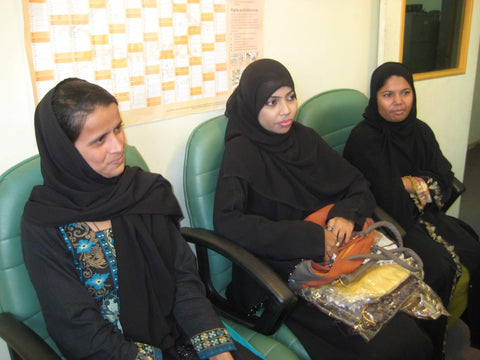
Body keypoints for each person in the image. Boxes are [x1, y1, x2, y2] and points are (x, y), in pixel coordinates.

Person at [21, 78, 264, 360]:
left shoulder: (145, 193)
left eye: (117, 128)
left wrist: (215, 350)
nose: (117, 146)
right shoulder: (43, 224)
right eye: (100, 139)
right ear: (64, 152)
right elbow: (76, 329)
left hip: (178, 334)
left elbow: (183, 279)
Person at [213, 58, 433, 360]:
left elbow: (357, 184)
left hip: (337, 260)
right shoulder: (241, 153)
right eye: (271, 102)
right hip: (284, 273)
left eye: (290, 97)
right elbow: (229, 224)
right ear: (253, 106)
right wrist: (308, 238)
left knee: (410, 326)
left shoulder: (303, 139)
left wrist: (343, 213)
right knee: (384, 347)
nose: (286, 110)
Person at [344, 61, 480, 353]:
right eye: (388, 95)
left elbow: (444, 176)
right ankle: (430, 346)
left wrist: (408, 183)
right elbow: (383, 194)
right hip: (392, 222)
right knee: (439, 268)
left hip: (425, 215)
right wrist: (420, 185)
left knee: (471, 243)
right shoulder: (364, 138)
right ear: (375, 98)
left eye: (405, 93)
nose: (398, 102)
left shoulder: (419, 130)